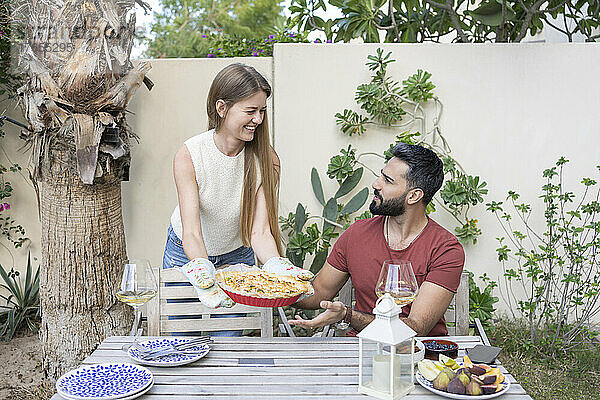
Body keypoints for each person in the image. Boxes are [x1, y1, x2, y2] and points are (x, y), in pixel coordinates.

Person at [289, 143, 465, 336]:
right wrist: (270, 288)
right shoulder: (356, 234)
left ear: (414, 196)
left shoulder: (445, 249)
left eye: (387, 180)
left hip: (420, 357)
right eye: (381, 175)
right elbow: (318, 293)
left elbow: (416, 327)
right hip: (363, 351)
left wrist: (348, 315)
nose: (375, 184)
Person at [162, 63, 283, 335]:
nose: (258, 119)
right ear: (221, 108)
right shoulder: (190, 155)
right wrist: (205, 277)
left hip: (236, 256)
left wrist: (277, 266)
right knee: (185, 339)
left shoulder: (267, 161)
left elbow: (260, 230)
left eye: (262, 111)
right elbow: (191, 232)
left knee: (228, 339)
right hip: (185, 255)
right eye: (250, 111)